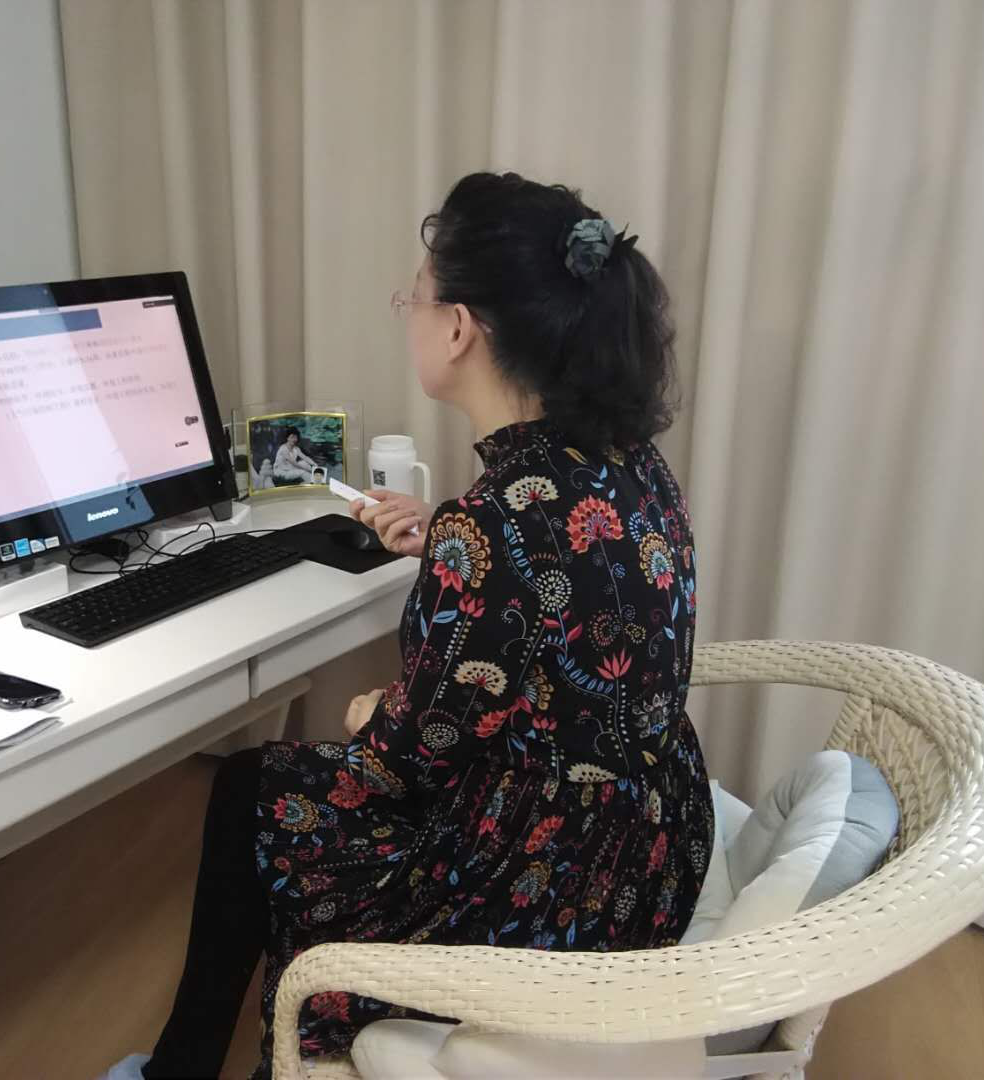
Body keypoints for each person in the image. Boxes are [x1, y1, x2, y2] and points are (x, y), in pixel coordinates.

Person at [108, 172, 712, 1080]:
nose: (410, 316)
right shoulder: (624, 459)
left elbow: (404, 761)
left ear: (459, 327)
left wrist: (370, 715)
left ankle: (181, 1071)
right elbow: (576, 588)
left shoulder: (492, 524)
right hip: (654, 848)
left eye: (415, 298)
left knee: (249, 788)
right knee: (271, 783)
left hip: (546, 884)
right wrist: (448, 541)